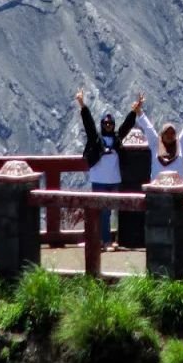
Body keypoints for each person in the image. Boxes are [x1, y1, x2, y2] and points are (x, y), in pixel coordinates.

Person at [76, 89, 141, 251]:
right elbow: (89, 124)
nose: (108, 126)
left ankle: (99, 240)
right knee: (102, 211)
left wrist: (135, 110)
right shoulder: (96, 139)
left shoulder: (117, 139)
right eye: (105, 123)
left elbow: (126, 126)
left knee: (108, 211)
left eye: (110, 124)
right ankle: (104, 241)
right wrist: (82, 105)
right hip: (99, 180)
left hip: (114, 180)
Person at [137, 101, 183, 179]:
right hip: (157, 185)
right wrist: (139, 111)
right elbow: (148, 127)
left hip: (178, 185)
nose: (169, 135)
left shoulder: (180, 144)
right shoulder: (155, 144)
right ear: (162, 134)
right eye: (167, 133)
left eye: (172, 133)